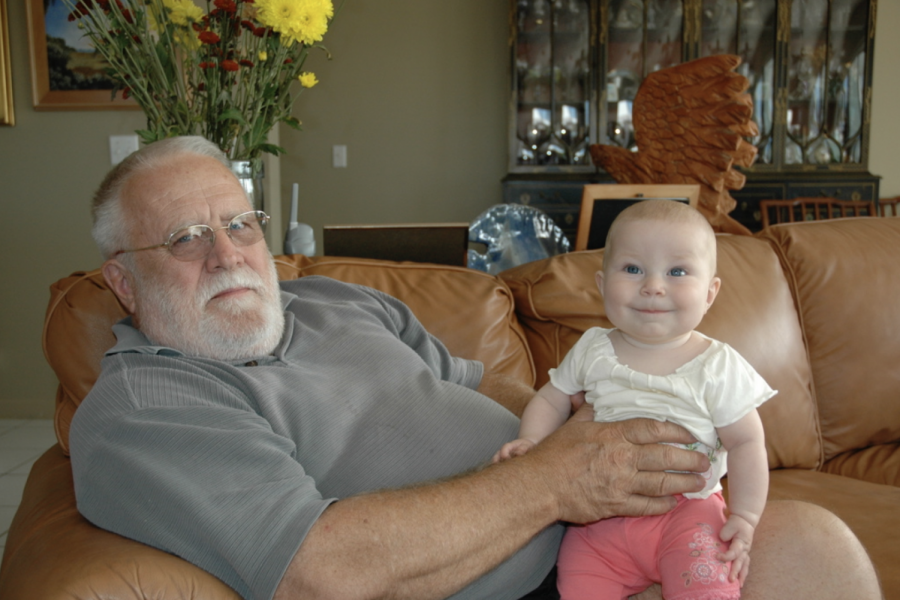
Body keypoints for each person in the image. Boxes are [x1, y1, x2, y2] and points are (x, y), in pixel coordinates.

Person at [69, 136, 881, 600]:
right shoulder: (151, 402)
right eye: (184, 238)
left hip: (599, 528)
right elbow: (316, 571)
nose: (227, 255)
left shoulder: (329, 300)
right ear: (120, 279)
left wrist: (574, 429)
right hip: (527, 584)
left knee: (819, 550)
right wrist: (557, 480)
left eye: (240, 223)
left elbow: (481, 386)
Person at [495, 200, 775, 599]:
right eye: (632, 269)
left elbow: (747, 442)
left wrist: (745, 518)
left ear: (711, 293)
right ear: (601, 284)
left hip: (688, 514)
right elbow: (551, 400)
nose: (653, 286)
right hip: (596, 519)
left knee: (709, 587)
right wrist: (533, 443)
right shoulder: (593, 348)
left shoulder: (717, 364)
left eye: (677, 271)